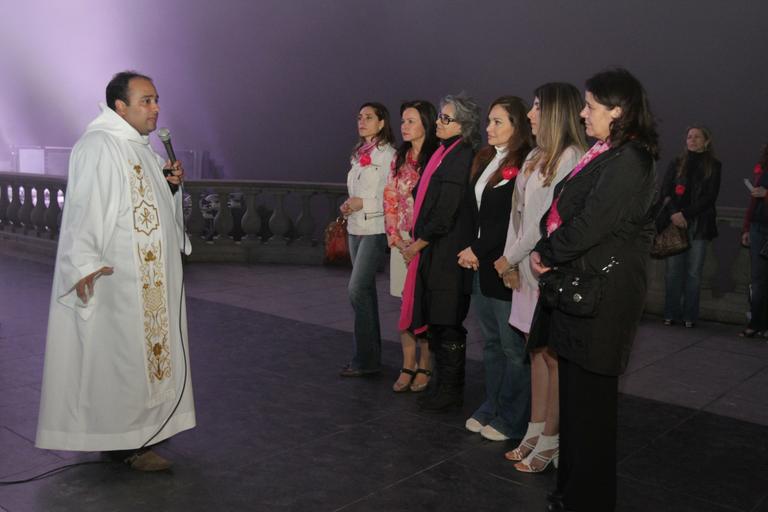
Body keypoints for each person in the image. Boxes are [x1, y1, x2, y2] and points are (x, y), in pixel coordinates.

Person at [35, 71, 195, 471]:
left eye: (157, 99)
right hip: (118, 280)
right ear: (119, 106)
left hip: (150, 282)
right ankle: (128, 444)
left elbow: (151, 207)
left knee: (141, 361)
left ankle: (138, 436)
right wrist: (85, 262)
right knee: (121, 362)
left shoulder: (144, 150)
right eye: (146, 100)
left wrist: (171, 187)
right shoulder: (97, 145)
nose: (156, 108)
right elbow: (84, 207)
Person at [530, 68, 658, 512]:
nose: (583, 114)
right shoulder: (608, 152)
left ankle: (589, 499)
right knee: (577, 401)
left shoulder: (632, 160)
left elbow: (593, 222)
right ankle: (570, 491)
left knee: (593, 409)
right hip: (584, 289)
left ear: (618, 111)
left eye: (591, 106)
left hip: (603, 296)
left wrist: (546, 251)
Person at [494, 83, 587, 469]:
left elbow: (541, 221)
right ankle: (534, 431)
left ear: (554, 112)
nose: (530, 115)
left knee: (551, 356)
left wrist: (509, 258)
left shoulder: (571, 157)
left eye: (536, 107)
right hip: (526, 269)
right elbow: (517, 214)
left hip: (547, 269)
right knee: (535, 353)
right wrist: (510, 260)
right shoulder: (535, 154)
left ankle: (551, 439)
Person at [458, 96, 534, 441]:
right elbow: (476, 212)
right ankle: (491, 404)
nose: (489, 128)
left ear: (517, 126)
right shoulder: (487, 158)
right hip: (480, 263)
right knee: (490, 342)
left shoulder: (524, 162)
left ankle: (513, 416)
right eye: (489, 121)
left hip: (506, 264)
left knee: (512, 348)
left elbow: (509, 220)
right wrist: (471, 250)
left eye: (498, 121)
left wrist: (477, 249)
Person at [399, 93, 481, 411]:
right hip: (436, 250)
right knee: (436, 320)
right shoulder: (444, 152)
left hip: (448, 252)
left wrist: (418, 243)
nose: (439, 122)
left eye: (446, 118)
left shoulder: (462, 155)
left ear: (464, 125)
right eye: (440, 117)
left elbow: (446, 209)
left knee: (448, 323)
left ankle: (451, 390)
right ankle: (440, 386)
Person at [384, 100, 439, 392]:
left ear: (425, 124)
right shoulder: (399, 158)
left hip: (424, 242)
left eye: (410, 121)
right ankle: (407, 363)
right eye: (402, 121)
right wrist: (395, 236)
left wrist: (417, 242)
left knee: (423, 306)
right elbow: (389, 196)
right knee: (403, 306)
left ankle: (425, 365)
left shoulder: (435, 158)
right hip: (400, 240)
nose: (404, 126)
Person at [339, 102, 396, 377]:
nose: (362, 121)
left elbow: (390, 195)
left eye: (369, 117)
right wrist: (350, 204)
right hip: (355, 229)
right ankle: (370, 359)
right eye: (359, 117)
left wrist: (364, 203)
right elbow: (356, 190)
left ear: (382, 122)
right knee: (366, 292)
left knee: (357, 289)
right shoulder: (357, 154)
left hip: (375, 229)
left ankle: (364, 358)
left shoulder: (389, 155)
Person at [658, 126, 721, 328]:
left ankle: (689, 316)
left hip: (699, 223)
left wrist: (685, 214)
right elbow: (666, 191)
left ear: (706, 141)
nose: (692, 140)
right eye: (689, 136)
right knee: (673, 271)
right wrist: (675, 214)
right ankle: (670, 313)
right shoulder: (676, 163)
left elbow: (709, 197)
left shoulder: (714, 165)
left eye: (697, 137)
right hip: (675, 223)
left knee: (694, 273)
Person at [740, 142, 768, 337]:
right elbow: (753, 202)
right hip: (759, 226)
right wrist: (747, 227)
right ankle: (756, 323)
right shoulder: (764, 166)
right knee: (757, 280)